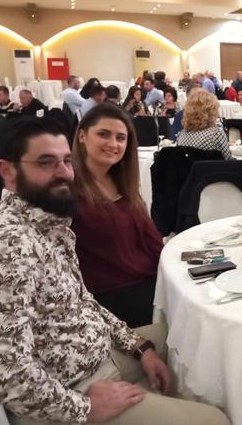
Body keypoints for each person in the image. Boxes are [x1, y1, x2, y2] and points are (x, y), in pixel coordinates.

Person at [0, 118, 230, 425]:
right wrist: (84, 409)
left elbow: (83, 301)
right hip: (75, 386)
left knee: (197, 336)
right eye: (46, 163)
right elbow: (3, 372)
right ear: (8, 171)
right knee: (213, 420)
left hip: (98, 351)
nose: (63, 172)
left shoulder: (48, 223)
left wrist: (139, 347)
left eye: (66, 161)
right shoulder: (8, 244)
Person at [71, 104, 163, 327]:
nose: (113, 144)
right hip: (109, 298)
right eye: (103, 134)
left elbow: (152, 243)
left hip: (150, 282)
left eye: (121, 138)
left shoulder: (122, 183)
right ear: (82, 136)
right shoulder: (68, 189)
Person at [176, 89, 232, 160]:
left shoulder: (180, 135)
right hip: (210, 167)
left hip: (186, 167)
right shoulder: (216, 134)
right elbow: (228, 160)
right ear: (211, 111)